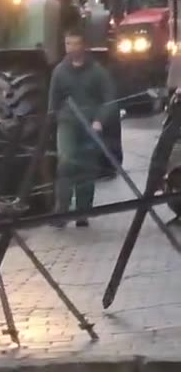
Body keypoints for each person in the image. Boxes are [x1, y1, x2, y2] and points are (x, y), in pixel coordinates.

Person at [49, 27, 115, 227]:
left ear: (84, 46)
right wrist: (55, 122)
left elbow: (109, 99)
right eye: (68, 44)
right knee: (66, 162)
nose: (72, 48)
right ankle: (61, 213)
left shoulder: (97, 72)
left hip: (90, 126)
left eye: (76, 43)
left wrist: (99, 121)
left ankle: (82, 212)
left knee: (86, 167)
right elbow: (53, 102)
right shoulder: (59, 72)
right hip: (68, 123)